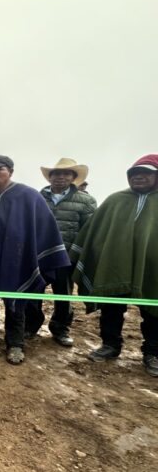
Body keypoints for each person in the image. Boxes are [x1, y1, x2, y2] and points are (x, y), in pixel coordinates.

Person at [0, 155, 70, 365]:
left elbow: (46, 229)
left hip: (16, 262)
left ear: (11, 172)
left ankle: (15, 343)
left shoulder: (29, 197)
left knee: (16, 303)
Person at [71, 154, 158, 376]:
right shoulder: (115, 200)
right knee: (111, 306)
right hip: (115, 265)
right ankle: (110, 345)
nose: (139, 177)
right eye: (134, 173)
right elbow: (93, 233)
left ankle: (153, 353)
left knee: (154, 313)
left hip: (152, 269)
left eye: (146, 173)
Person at [25, 158, 97, 347]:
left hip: (67, 256)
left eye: (66, 174)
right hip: (39, 255)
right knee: (34, 291)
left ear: (74, 177)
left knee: (63, 294)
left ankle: (60, 329)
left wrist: (77, 254)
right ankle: (31, 326)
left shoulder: (86, 201)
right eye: (56, 173)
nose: (60, 177)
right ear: (50, 177)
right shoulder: (36, 198)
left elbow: (89, 232)